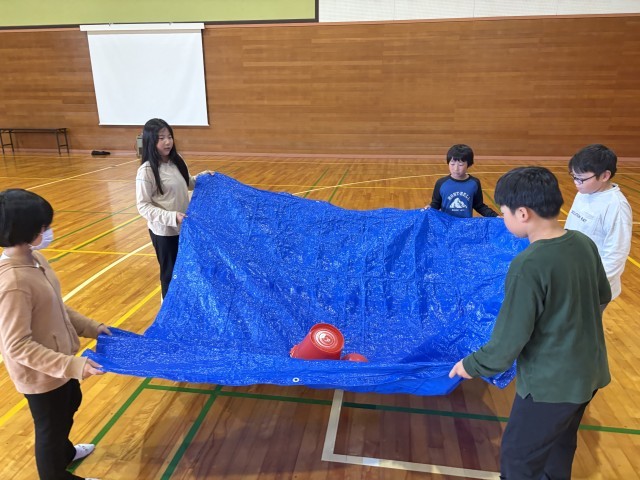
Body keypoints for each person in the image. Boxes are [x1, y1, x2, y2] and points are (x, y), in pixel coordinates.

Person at [448, 167, 611, 479]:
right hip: (589, 374)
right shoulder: (583, 243)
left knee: (518, 459)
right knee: (558, 447)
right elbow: (602, 297)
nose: (503, 218)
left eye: (504, 212)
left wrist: (471, 365)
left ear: (522, 213)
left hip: (551, 385)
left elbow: (506, 344)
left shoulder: (528, 265)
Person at [0, 189, 110, 480]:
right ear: (25, 231)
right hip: (40, 375)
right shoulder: (13, 283)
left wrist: (91, 327)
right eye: (43, 227)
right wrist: (71, 365)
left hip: (59, 363)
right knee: (50, 428)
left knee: (70, 405)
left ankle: (66, 453)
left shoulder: (35, 259)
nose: (48, 231)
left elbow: (56, 307)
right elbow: (17, 345)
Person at [135, 118, 212, 298]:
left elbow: (188, 182)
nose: (167, 142)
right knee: (170, 276)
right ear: (150, 141)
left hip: (184, 228)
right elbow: (143, 206)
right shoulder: (146, 171)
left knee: (188, 271)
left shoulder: (177, 160)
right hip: (165, 233)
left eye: (169, 137)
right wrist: (171, 217)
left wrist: (204, 177)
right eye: (161, 138)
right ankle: (169, 310)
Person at [565, 144, 632, 300]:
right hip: (573, 277)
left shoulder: (616, 206)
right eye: (574, 176)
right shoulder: (584, 192)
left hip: (592, 288)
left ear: (604, 176)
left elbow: (616, 255)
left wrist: (591, 285)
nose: (576, 182)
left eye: (581, 179)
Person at [429, 144, 499, 218]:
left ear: (468, 164)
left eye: (461, 165)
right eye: (452, 164)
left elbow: (479, 206)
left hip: (466, 223)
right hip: (447, 223)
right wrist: (429, 208)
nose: (456, 168)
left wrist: (495, 216)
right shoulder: (441, 183)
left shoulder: (474, 183)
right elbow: (436, 204)